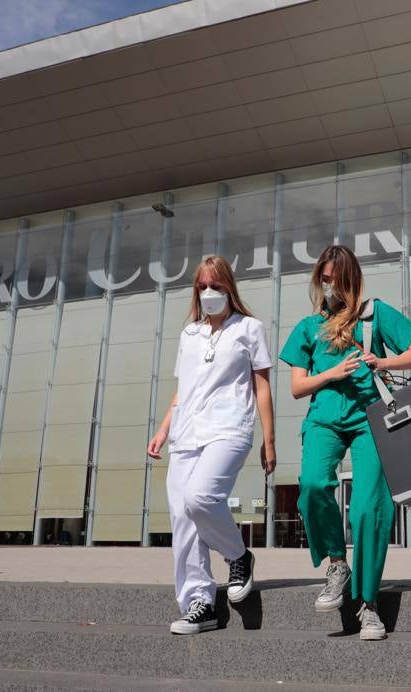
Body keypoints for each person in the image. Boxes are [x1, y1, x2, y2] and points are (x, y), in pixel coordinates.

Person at [279, 245, 411, 641]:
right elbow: (296, 387)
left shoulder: (374, 314)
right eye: (324, 279)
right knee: (312, 487)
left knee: (367, 508)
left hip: (370, 419)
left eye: (337, 280)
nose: (330, 286)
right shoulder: (309, 326)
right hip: (323, 419)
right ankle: (337, 564)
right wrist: (332, 373)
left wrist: (382, 361)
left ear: (351, 280)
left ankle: (369, 604)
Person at [147, 256, 276, 636]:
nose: (208, 293)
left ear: (228, 288)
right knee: (182, 518)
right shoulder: (189, 334)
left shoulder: (249, 328)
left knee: (200, 497)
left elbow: (262, 386)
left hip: (229, 428)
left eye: (215, 286)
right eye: (201, 286)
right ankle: (199, 604)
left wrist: (269, 440)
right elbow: (183, 389)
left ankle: (238, 555)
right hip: (185, 432)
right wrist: (163, 429)